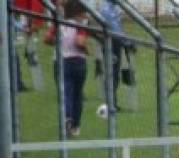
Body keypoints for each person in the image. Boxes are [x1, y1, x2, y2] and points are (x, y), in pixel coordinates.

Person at [44, 0, 89, 137]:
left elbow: (47, 39)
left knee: (65, 92)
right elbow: (79, 42)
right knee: (77, 94)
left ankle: (67, 118)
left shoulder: (58, 24)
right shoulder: (80, 25)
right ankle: (75, 126)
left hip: (61, 60)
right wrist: (86, 49)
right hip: (78, 61)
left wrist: (57, 42)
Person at [97, 0, 125, 110]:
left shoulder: (114, 8)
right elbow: (115, 29)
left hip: (115, 42)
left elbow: (119, 27)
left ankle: (112, 101)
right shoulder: (107, 10)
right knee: (112, 72)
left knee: (114, 72)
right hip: (111, 43)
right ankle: (110, 102)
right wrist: (126, 42)